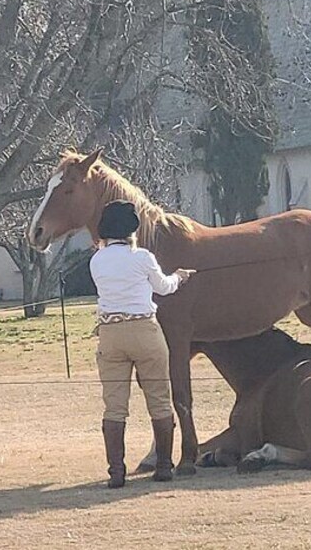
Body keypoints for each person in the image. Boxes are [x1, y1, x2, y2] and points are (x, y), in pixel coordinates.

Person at [89, 200, 194, 488]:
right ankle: (163, 465)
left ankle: (116, 471)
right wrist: (180, 277)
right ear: (132, 230)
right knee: (159, 399)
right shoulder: (143, 257)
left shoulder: (96, 260)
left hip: (110, 333)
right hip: (145, 329)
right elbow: (164, 287)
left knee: (114, 406)